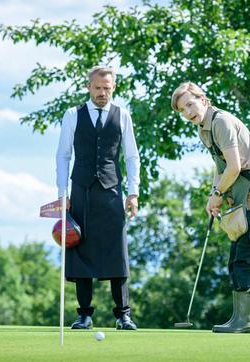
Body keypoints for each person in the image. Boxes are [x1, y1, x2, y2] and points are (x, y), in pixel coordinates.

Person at [171, 82, 250, 333]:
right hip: (241, 190)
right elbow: (220, 169)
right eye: (181, 110)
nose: (187, 112)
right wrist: (213, 195)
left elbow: (234, 166)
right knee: (237, 254)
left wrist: (219, 193)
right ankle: (238, 317)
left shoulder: (221, 122)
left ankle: (247, 320)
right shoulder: (203, 129)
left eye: (190, 104)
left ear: (204, 100)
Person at [56, 66, 140, 330]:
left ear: (113, 87)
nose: (103, 93)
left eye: (107, 88)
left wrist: (134, 192)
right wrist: (62, 194)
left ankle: (123, 315)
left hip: (112, 190)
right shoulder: (72, 115)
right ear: (88, 87)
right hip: (80, 191)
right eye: (98, 88)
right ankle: (84, 315)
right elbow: (63, 155)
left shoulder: (123, 115)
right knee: (79, 248)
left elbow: (131, 156)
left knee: (118, 252)